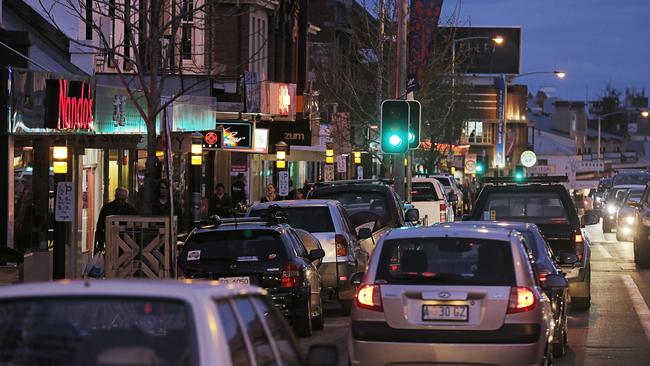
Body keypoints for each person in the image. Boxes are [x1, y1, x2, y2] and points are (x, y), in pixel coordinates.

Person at [94, 187, 138, 255]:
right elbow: (100, 226)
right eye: (118, 199)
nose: (120, 201)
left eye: (122, 199)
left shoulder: (131, 210)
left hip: (126, 242)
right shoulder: (106, 208)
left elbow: (136, 227)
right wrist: (100, 244)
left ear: (126, 198)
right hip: (110, 241)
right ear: (115, 196)